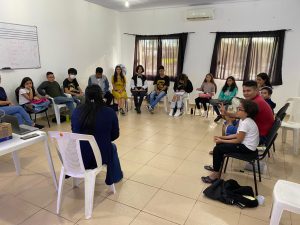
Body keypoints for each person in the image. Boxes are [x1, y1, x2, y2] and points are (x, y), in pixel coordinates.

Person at [71, 85, 123, 186]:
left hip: (78, 156)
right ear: (101, 96)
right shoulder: (109, 112)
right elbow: (115, 135)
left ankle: (116, 175)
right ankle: (116, 176)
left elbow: (74, 131)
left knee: (103, 146)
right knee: (112, 147)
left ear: (86, 96)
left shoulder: (76, 111)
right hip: (99, 157)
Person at [201, 99, 259, 183]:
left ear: (247, 112)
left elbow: (238, 140)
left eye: (239, 109)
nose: (237, 111)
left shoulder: (246, 123)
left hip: (247, 149)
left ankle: (215, 174)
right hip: (245, 145)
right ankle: (217, 167)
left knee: (218, 149)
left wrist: (222, 140)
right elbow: (237, 135)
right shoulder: (244, 120)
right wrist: (222, 138)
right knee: (219, 145)